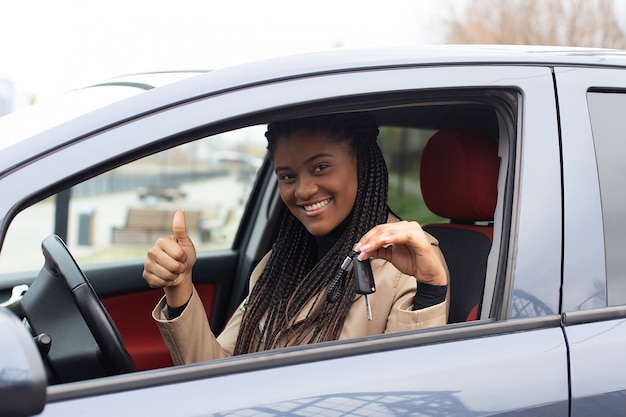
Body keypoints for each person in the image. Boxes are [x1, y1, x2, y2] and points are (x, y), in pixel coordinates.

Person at [142, 112, 449, 365]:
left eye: (321, 167)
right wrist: (180, 287)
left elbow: (407, 389)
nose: (302, 191)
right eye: (288, 176)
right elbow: (214, 376)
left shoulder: (409, 264)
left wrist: (430, 292)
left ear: (362, 163)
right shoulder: (278, 263)